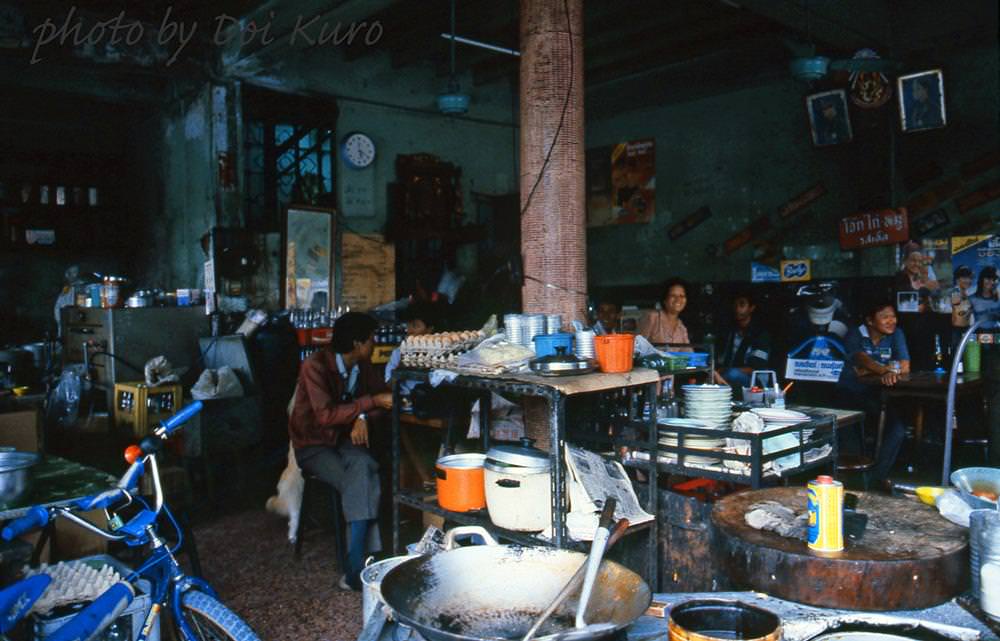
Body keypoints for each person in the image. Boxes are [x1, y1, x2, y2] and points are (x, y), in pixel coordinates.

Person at [288, 312, 393, 591]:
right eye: (372, 339)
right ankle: (358, 565)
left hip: (342, 441)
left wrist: (363, 418)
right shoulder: (314, 366)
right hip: (313, 446)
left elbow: (383, 404)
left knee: (366, 466)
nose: (374, 344)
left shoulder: (364, 365)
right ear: (358, 343)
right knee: (358, 479)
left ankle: (356, 566)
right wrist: (368, 404)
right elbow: (324, 416)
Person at [836, 300, 911, 483]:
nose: (891, 321)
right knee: (851, 432)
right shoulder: (855, 334)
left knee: (897, 429)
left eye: (893, 316)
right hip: (851, 396)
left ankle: (875, 478)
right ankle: (853, 483)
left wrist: (879, 370)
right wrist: (884, 370)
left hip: (879, 397)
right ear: (870, 321)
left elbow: (905, 365)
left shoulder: (896, 334)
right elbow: (860, 359)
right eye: (885, 317)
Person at [713, 291, 772, 391]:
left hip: (755, 381)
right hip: (730, 375)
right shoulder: (731, 332)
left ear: (751, 308)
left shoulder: (759, 334)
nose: (737, 309)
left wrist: (725, 371)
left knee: (732, 373)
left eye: (742, 304)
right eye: (735, 305)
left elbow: (755, 368)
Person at [384, 300, 442, 385]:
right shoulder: (398, 352)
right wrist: (402, 366)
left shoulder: (441, 354)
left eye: (415, 326)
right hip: (404, 396)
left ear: (430, 329)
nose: (409, 331)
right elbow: (389, 385)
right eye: (408, 325)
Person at [638, 278, 691, 348]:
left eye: (682, 296)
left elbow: (689, 353)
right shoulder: (652, 318)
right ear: (664, 299)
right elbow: (636, 347)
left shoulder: (681, 328)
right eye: (673, 295)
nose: (678, 299)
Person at [950, 266, 975, 348]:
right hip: (955, 331)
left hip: (966, 330)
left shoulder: (967, 293)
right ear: (957, 279)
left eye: (970, 278)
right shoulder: (955, 292)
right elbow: (956, 303)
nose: (968, 280)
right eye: (964, 277)